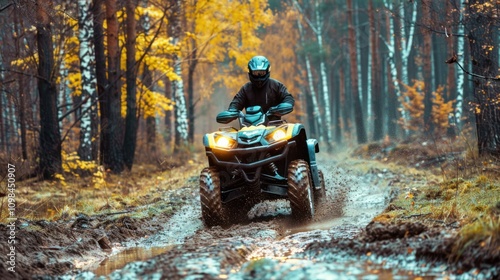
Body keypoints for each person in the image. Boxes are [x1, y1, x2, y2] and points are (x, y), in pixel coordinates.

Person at [227, 55, 295, 119]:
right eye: (255, 73)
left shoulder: (276, 85)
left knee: (292, 129)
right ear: (250, 72)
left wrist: (283, 107)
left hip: (274, 126)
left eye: (262, 73)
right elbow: (235, 104)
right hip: (250, 128)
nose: (259, 76)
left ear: (267, 71)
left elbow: (288, 98)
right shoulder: (245, 89)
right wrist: (231, 111)